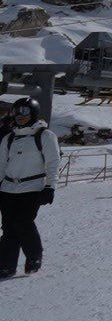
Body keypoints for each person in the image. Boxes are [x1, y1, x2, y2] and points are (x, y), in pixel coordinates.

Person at [0, 98, 59, 278]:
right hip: (9, 188)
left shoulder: (45, 135)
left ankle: (34, 256)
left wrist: (50, 187)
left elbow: (53, 162)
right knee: (8, 227)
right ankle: (6, 265)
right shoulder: (9, 138)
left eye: (24, 111)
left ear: (33, 113)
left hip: (32, 187)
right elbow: (1, 164)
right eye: (16, 112)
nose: (19, 116)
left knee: (23, 224)